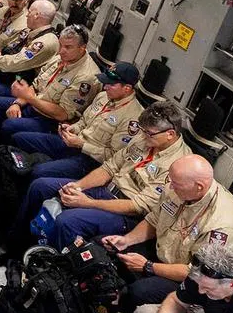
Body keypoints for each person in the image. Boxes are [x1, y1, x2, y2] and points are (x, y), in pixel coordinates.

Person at [14, 100, 192, 250]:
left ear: (170, 134)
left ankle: (54, 273)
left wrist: (88, 203)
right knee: (41, 186)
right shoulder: (144, 139)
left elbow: (139, 206)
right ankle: (18, 246)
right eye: (143, 131)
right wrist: (78, 186)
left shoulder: (178, 165)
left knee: (67, 221)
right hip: (105, 190)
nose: (144, 137)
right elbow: (109, 168)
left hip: (127, 214)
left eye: (149, 134)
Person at [102, 154, 233, 306]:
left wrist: (148, 266)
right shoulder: (179, 189)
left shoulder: (223, 224)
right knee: (109, 249)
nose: (170, 187)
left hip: (196, 281)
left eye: (176, 184)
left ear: (199, 187)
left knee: (138, 292)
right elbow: (154, 220)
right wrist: (126, 240)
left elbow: (198, 272)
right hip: (165, 252)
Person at [12, 61, 142, 180]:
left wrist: (81, 145)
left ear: (127, 88)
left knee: (39, 172)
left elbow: (114, 157)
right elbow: (84, 121)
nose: (106, 86)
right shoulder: (103, 96)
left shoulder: (133, 118)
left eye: (111, 84)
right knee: (19, 138)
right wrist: (72, 128)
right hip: (73, 142)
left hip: (90, 160)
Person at [0, 25, 101, 137]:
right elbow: (36, 85)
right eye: (61, 45)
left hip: (51, 120)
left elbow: (62, 114)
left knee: (9, 126)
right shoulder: (59, 59)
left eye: (68, 47)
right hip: (34, 104)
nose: (62, 51)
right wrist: (18, 103)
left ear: (82, 48)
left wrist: (30, 99)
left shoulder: (86, 77)